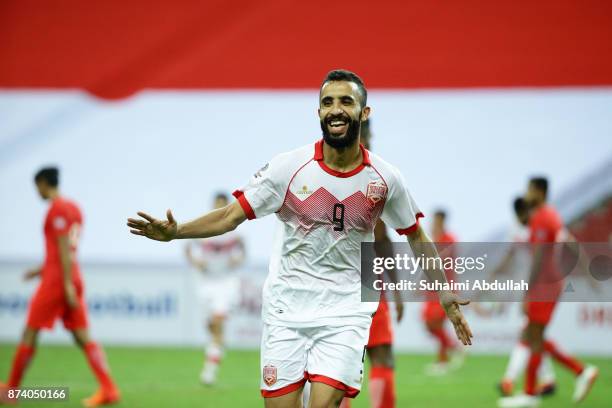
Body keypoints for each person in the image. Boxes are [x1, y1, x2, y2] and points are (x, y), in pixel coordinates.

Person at [127, 69, 472, 408]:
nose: (336, 109)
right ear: (319, 111)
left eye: (346, 102)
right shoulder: (287, 168)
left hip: (346, 312)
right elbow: (230, 216)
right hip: (285, 311)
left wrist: (442, 290)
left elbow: (416, 236)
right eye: (328, 102)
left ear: (364, 113)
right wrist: (177, 232)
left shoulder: (385, 178)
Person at [0, 167, 120, 407]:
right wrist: (41, 270)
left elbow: (63, 248)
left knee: (30, 332)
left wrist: (63, 283)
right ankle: (109, 389)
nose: (37, 192)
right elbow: (66, 251)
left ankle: (10, 391)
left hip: (58, 280)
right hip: (70, 274)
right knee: (81, 335)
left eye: (37, 187)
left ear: (44, 183)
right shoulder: (74, 208)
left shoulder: (57, 209)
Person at [498, 178, 598, 408]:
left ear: (539, 191)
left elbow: (539, 259)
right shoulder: (549, 216)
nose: (527, 192)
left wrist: (527, 291)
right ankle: (562, 378)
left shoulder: (542, 218)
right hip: (550, 285)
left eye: (529, 188)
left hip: (545, 286)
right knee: (533, 337)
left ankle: (539, 390)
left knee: (534, 337)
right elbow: (570, 244)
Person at [337, 120, 404, 408]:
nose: (371, 140)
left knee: (337, 358)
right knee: (381, 355)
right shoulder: (374, 176)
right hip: (364, 271)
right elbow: (382, 238)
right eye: (368, 134)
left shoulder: (325, 171)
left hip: (336, 273)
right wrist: (396, 286)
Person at [494, 198, 556, 397]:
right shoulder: (518, 231)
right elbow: (510, 256)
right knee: (532, 336)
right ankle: (548, 379)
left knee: (529, 335)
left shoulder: (539, 229)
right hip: (525, 288)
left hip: (535, 288)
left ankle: (509, 380)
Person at [185, 192, 246, 385]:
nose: (219, 207)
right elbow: (187, 247)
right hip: (206, 282)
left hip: (226, 282)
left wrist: (239, 259)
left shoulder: (234, 231)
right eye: (217, 204)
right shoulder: (205, 227)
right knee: (210, 325)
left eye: (223, 204)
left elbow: (243, 249)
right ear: (213, 205)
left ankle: (209, 371)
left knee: (218, 321)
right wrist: (195, 262)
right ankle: (217, 346)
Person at [422, 210, 464, 376]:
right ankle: (453, 347)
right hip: (431, 289)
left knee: (436, 323)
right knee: (429, 323)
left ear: (442, 221)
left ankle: (443, 360)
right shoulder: (432, 238)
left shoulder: (449, 239)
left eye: (437, 220)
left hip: (445, 287)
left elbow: (441, 261)